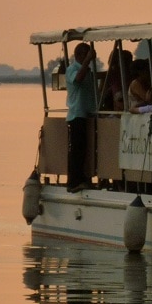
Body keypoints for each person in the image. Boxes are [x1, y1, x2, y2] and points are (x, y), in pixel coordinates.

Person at [65, 42, 96, 192]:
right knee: (77, 150)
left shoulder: (87, 70)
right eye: (85, 55)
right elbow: (77, 79)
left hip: (86, 114)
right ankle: (73, 181)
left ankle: (83, 177)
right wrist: (87, 61)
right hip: (76, 114)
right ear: (78, 56)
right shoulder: (72, 69)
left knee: (84, 149)